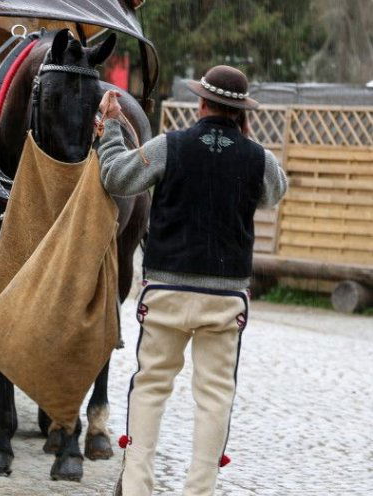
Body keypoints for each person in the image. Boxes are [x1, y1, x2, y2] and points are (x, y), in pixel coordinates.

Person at [98, 66, 288, 496]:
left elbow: (116, 177)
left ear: (201, 102)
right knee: (216, 397)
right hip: (225, 300)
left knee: (149, 387)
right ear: (240, 111)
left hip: (165, 292)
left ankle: (136, 486)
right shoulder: (259, 158)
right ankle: (199, 490)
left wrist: (110, 130)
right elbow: (275, 192)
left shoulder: (169, 147)